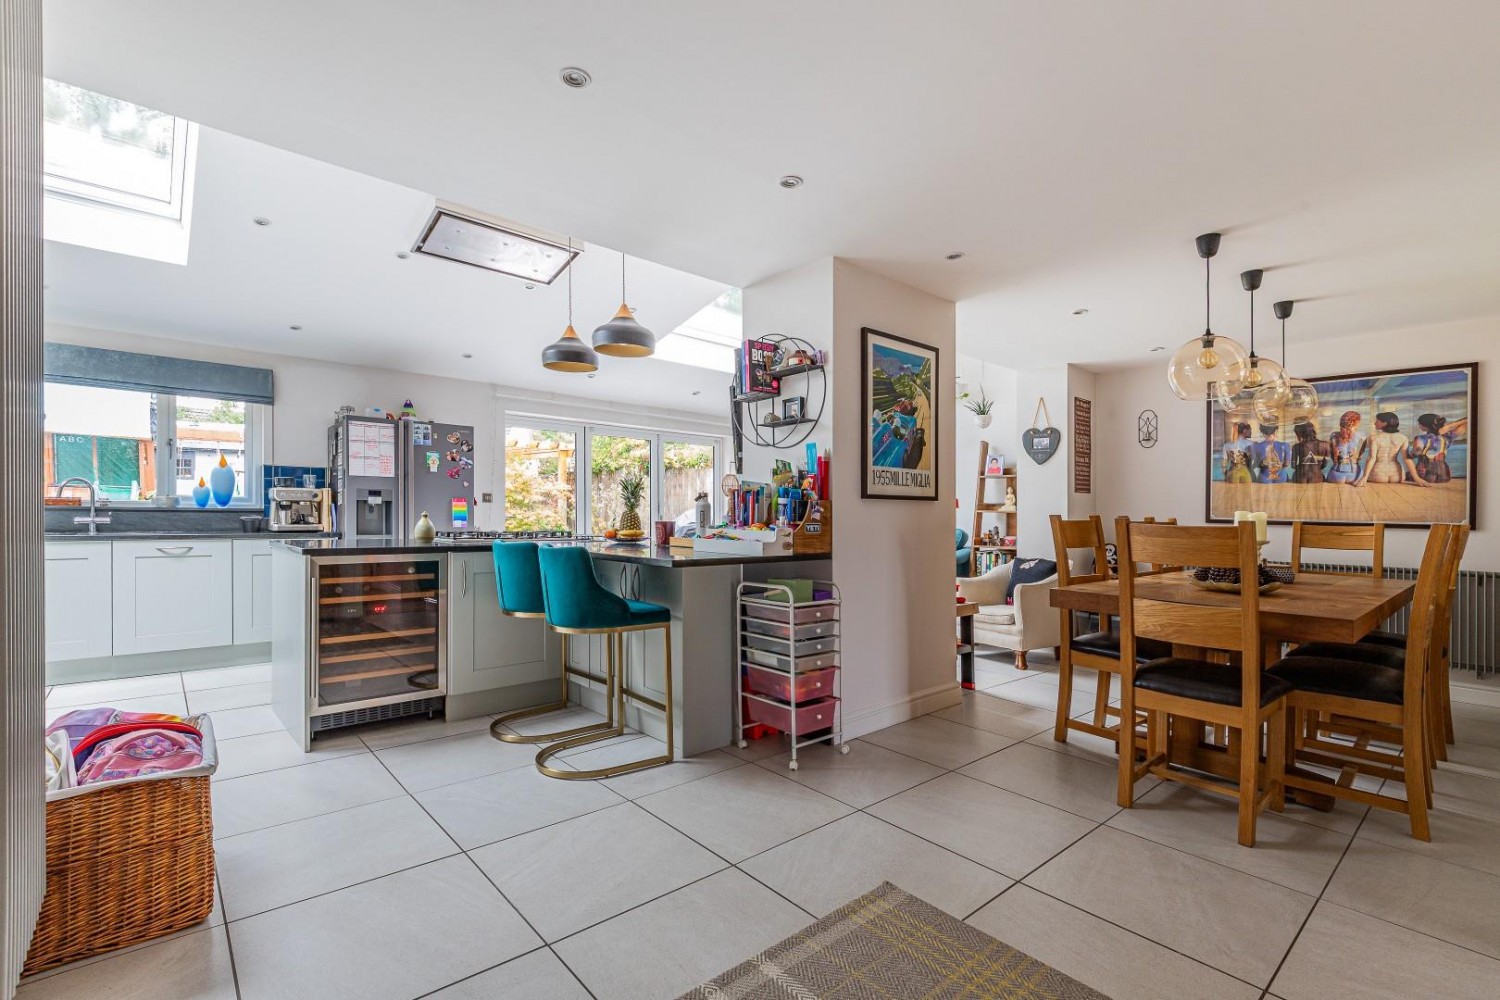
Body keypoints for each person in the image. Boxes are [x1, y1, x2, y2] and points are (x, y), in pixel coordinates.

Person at [1356, 412, 1429, 487]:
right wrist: (1417, 478)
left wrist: (1364, 477)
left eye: (1377, 421)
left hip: (1378, 475)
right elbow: (1407, 459)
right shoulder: (1403, 438)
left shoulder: (1374, 438)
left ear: (1384, 423)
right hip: (1397, 476)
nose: (1375, 423)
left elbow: (1371, 458)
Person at [1410, 413, 1453, 483]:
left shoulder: (1420, 438)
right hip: (1444, 474)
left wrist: (1411, 454)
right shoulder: (1446, 438)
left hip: (1424, 473)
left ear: (1424, 426)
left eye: (1419, 423)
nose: (1419, 425)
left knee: (1407, 474)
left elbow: (1417, 452)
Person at [1326, 410, 1367, 484]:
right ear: (1357, 423)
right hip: (1355, 475)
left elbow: (1334, 458)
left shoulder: (1334, 435)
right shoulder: (1362, 436)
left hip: (1336, 474)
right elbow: (1360, 457)